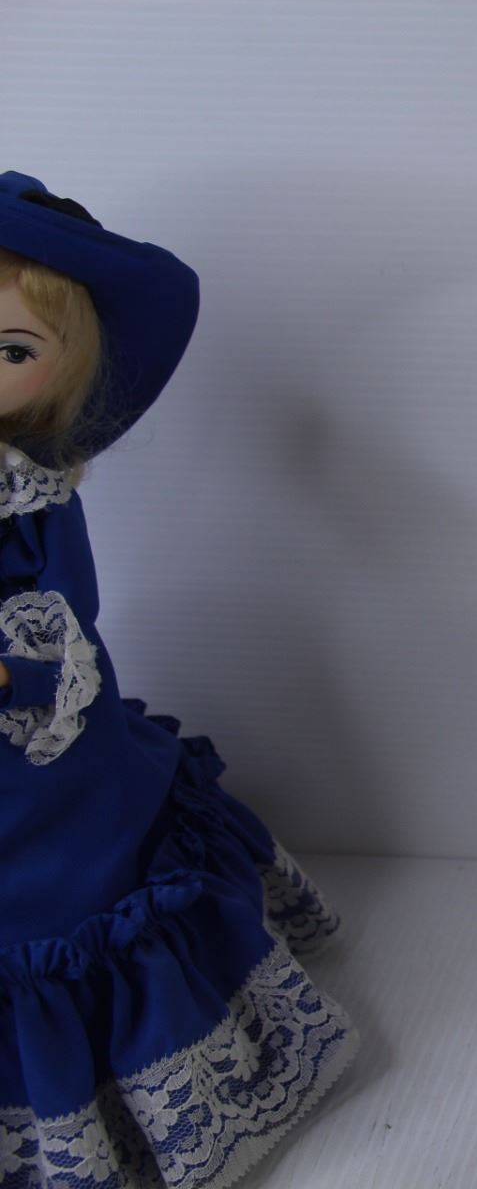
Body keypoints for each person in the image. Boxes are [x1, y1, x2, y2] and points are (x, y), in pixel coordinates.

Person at [0, 172, 355, 1189]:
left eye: (13, 351)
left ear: (61, 371)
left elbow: (59, 624)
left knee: (49, 891)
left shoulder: (28, 497)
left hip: (33, 763)